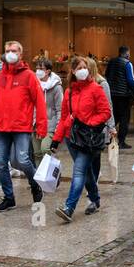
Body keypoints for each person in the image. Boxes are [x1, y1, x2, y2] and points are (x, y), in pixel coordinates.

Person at [0, 40, 46, 213]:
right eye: (8, 50)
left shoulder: (29, 76)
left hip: (21, 127)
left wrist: (41, 126)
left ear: (21, 54)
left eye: (14, 50)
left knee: (23, 160)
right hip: (1, 127)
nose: (11, 53)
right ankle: (9, 198)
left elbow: (39, 102)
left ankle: (35, 184)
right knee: (1, 163)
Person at [49, 57, 112, 223]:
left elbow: (106, 112)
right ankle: (95, 199)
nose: (83, 70)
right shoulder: (69, 92)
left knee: (78, 172)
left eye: (85, 67)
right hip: (71, 138)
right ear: (73, 71)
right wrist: (56, 140)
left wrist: (90, 123)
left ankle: (69, 208)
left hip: (88, 139)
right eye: (79, 68)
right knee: (87, 173)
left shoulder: (96, 89)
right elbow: (63, 119)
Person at [104, 46, 134, 149]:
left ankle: (108, 138)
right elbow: (131, 80)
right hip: (124, 95)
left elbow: (107, 75)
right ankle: (121, 141)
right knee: (124, 119)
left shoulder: (111, 62)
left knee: (114, 116)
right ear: (127, 53)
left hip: (112, 94)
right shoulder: (128, 64)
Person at [35, 57, 64, 147]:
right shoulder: (34, 84)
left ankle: (50, 161)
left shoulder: (56, 87)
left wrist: (57, 129)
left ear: (48, 71)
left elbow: (60, 109)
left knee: (45, 149)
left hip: (50, 125)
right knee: (36, 153)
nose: (38, 71)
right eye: (37, 68)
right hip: (35, 124)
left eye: (41, 69)